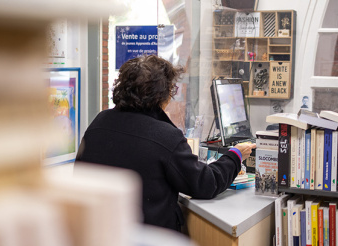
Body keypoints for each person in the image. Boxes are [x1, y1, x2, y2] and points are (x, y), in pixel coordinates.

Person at [75, 54, 255, 232]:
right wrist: (235, 156)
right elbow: (206, 184)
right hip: (149, 245)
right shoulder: (165, 136)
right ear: (162, 95)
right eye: (171, 90)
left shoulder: (99, 122)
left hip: (99, 235)